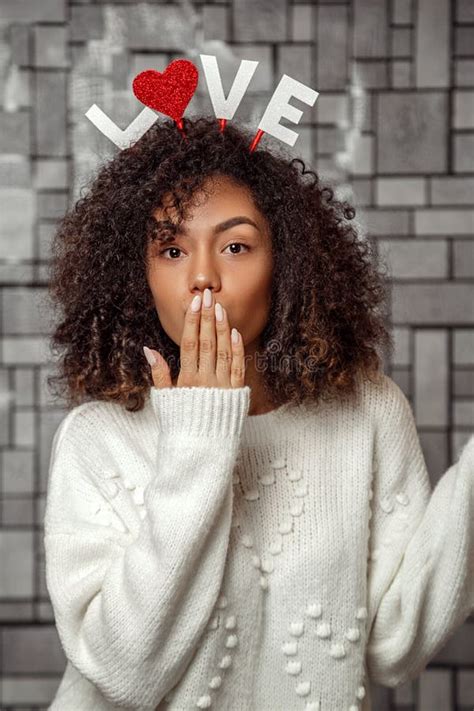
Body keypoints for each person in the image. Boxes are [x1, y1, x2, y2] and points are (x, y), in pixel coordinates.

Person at [44, 116, 474, 711]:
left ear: (288, 265)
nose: (202, 277)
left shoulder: (368, 411)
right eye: (171, 249)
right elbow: (124, 674)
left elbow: (393, 647)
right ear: (137, 276)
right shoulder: (97, 438)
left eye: (236, 246)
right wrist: (198, 437)